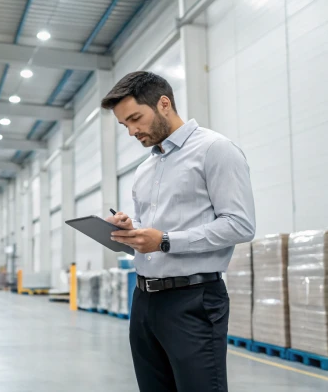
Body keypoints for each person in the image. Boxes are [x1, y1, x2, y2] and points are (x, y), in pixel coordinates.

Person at [102, 71, 256, 392]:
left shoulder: (215, 150)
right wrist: (133, 231)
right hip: (144, 302)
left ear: (164, 104)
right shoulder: (145, 170)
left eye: (135, 119)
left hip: (193, 300)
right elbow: (152, 234)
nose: (132, 131)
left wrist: (166, 241)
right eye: (124, 125)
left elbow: (240, 224)